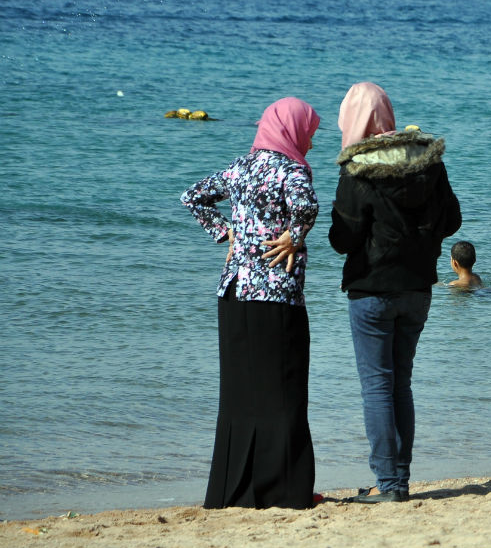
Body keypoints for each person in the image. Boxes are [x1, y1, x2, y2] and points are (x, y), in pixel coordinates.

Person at [181, 97, 321, 510]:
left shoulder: (240, 167)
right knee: (284, 390)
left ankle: (233, 492)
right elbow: (307, 206)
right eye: (308, 133)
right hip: (275, 293)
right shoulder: (291, 169)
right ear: (292, 130)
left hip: (233, 293)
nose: (310, 142)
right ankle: (285, 490)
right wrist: (295, 237)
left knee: (240, 396)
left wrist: (227, 235)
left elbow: (193, 197)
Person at [329, 82, 461, 504]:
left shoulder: (357, 168)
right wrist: (422, 240)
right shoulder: (428, 161)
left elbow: (343, 239)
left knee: (377, 387)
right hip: (418, 287)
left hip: (371, 289)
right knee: (399, 383)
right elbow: (453, 220)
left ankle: (389, 485)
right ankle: (398, 479)